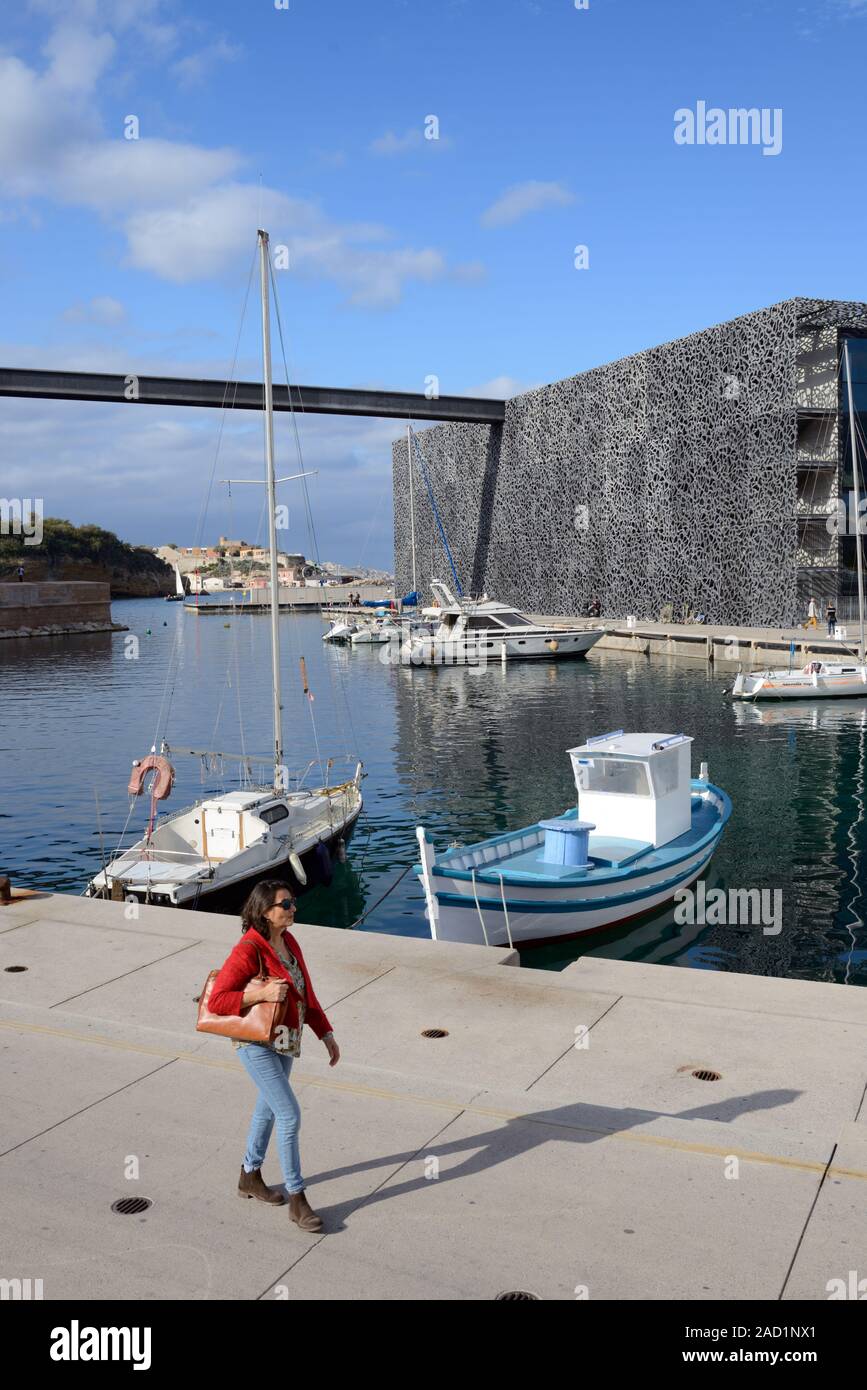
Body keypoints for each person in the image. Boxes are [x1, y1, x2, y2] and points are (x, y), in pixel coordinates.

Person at [208, 880, 340, 1232]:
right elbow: (217, 1001)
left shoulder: (290, 942)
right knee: (289, 1114)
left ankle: (249, 1176)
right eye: (286, 904)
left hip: (285, 1039)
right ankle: (298, 1200)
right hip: (254, 1042)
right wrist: (262, 992)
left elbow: (306, 994)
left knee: (267, 1110)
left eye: (292, 902)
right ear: (265, 912)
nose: (293, 908)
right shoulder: (249, 948)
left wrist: (325, 1033)